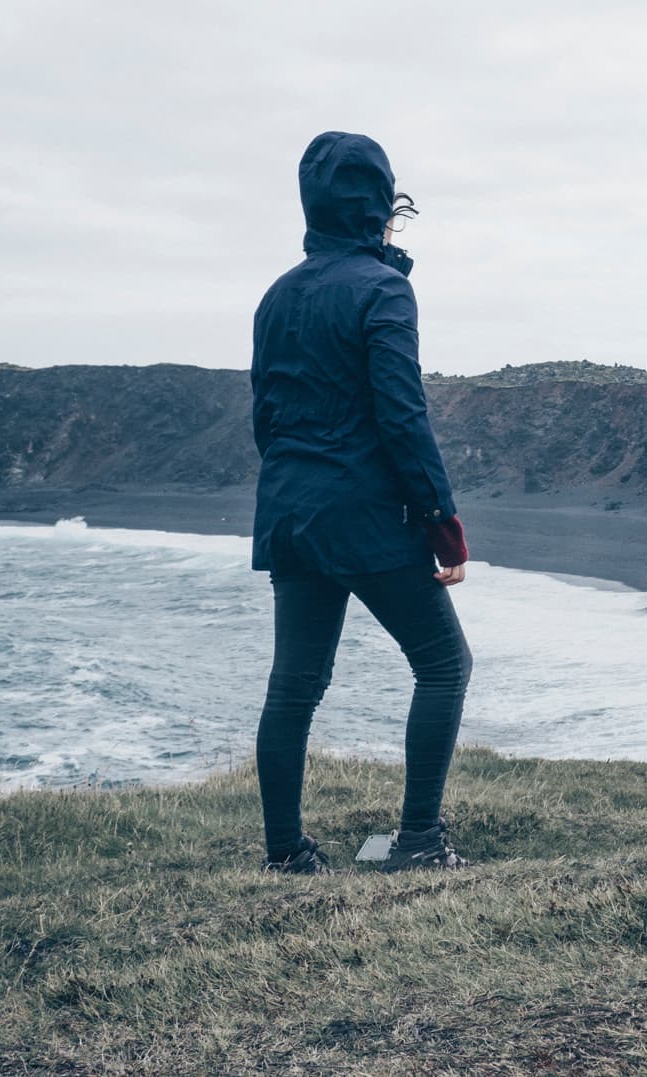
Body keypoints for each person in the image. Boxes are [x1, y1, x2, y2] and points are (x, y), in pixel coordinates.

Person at [251, 132, 473, 875]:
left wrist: (302, 491)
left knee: (297, 682)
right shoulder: (383, 290)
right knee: (444, 661)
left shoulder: (276, 296)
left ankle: (285, 852)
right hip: (366, 515)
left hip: (290, 513)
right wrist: (443, 524)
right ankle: (418, 841)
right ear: (379, 208)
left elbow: (266, 421)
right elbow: (403, 416)